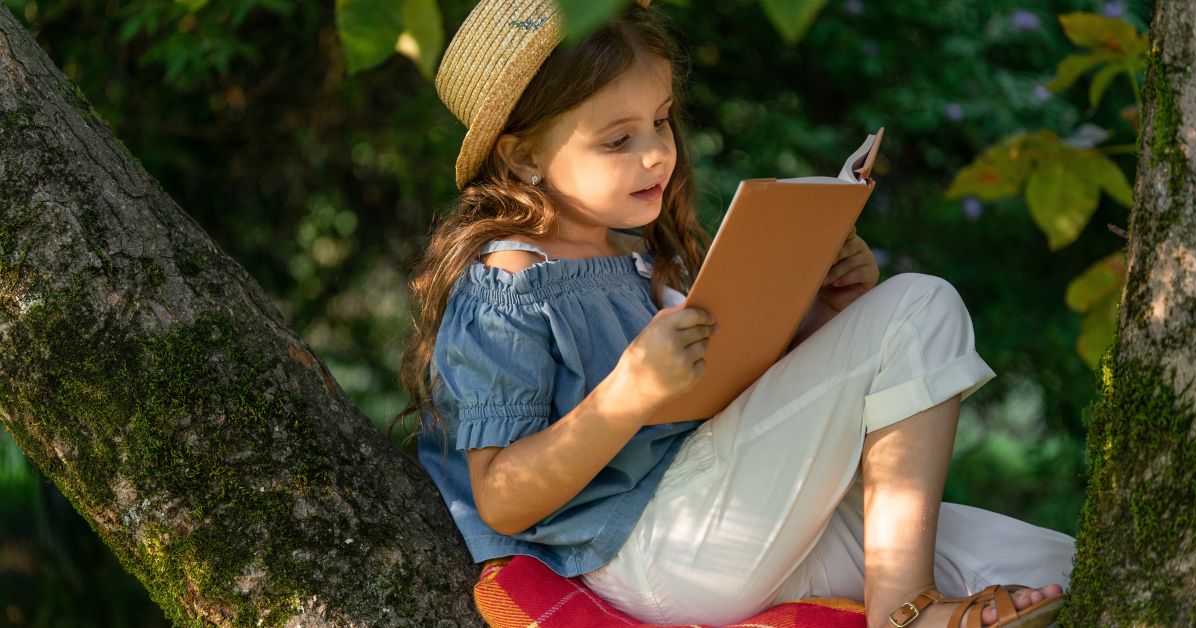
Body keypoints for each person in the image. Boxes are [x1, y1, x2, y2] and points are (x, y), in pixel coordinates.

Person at [393, 1, 1075, 626]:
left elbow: (737, 397)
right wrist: (625, 398)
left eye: (660, 120)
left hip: (736, 523)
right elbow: (502, 499)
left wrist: (828, 317)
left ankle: (916, 594)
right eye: (617, 139)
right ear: (523, 157)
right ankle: (905, 608)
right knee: (922, 303)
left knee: (1061, 568)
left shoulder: (639, 261)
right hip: (653, 546)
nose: (658, 152)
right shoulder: (510, 280)